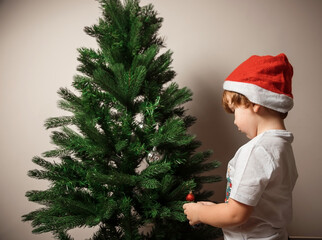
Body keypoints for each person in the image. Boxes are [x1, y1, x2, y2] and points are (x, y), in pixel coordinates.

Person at [183, 53, 298, 240]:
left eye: (235, 110)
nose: (235, 121)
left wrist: (198, 213)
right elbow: (257, 205)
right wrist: (215, 209)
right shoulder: (282, 146)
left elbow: (235, 215)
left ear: (254, 103)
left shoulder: (256, 150)